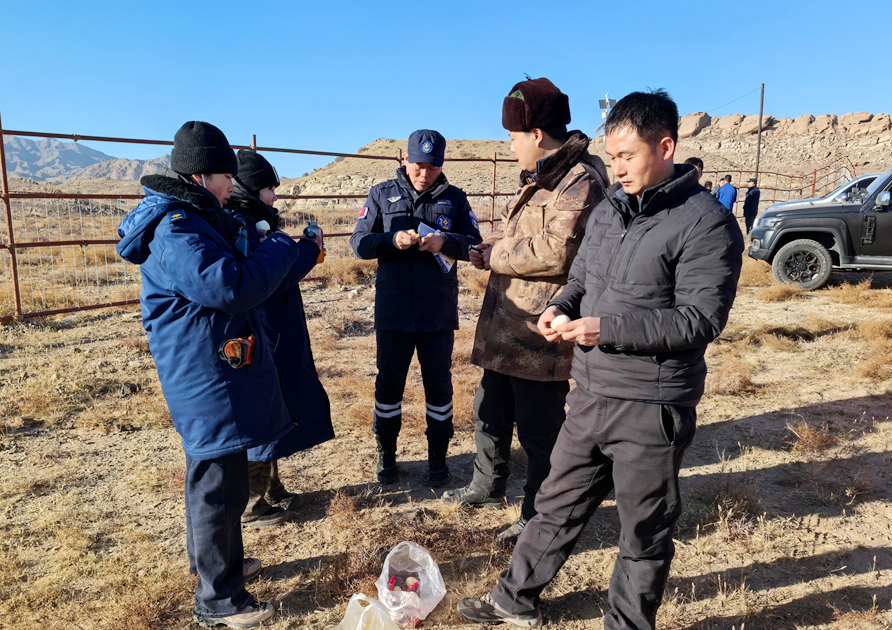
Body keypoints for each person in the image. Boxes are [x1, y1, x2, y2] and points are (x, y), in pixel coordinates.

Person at [457, 90, 743, 629]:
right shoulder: (610, 208)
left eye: (627, 156)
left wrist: (605, 328)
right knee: (556, 503)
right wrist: (560, 307)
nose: (616, 168)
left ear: (665, 147)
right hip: (590, 391)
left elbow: (699, 320)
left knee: (643, 530)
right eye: (611, 157)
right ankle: (514, 600)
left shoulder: (707, 223)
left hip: (651, 403)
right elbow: (581, 278)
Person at [117, 122, 303, 627]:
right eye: (225, 177)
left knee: (220, 478)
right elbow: (229, 287)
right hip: (205, 376)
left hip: (213, 369)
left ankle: (219, 567)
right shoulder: (177, 229)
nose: (230, 187)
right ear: (201, 175)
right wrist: (280, 247)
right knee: (217, 485)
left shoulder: (196, 218)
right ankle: (219, 600)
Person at [442, 77, 609, 543]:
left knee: (540, 433)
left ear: (536, 134)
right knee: (489, 411)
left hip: (540, 338)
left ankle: (538, 515)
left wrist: (497, 255)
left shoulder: (580, 181)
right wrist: (493, 246)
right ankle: (486, 485)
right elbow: (525, 239)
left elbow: (558, 252)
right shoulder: (542, 178)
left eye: (513, 136)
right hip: (505, 330)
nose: (510, 145)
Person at [350, 130, 482, 487]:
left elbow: (475, 244)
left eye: (433, 167)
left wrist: (445, 240)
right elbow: (359, 243)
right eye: (418, 165)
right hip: (393, 310)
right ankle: (387, 455)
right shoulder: (381, 194)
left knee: (439, 388)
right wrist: (392, 239)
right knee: (388, 385)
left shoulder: (455, 198)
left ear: (442, 164)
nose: (425, 174)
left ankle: (438, 460)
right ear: (404, 158)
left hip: (436, 312)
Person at [225, 149, 334, 528]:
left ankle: (271, 488)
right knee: (261, 408)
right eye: (268, 188)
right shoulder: (239, 226)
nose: (274, 196)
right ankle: (252, 503)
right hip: (260, 332)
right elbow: (275, 277)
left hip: (272, 328)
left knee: (276, 407)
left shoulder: (251, 221)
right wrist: (307, 249)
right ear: (248, 189)